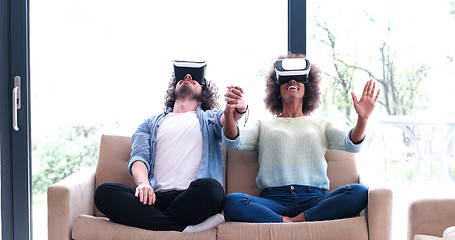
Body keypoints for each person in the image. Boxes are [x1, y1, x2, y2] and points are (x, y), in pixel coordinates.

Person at [222, 53, 380, 223]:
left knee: (359, 192)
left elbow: (352, 144)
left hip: (314, 199)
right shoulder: (263, 125)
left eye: (298, 78)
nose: (292, 81)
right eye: (286, 79)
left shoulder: (321, 124)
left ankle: (291, 221)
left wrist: (362, 119)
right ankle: (290, 220)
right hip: (274, 200)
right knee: (233, 201)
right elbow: (234, 141)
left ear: (307, 90)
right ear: (276, 91)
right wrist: (229, 113)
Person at [94, 60, 247, 232]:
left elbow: (230, 135)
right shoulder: (149, 124)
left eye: (194, 78)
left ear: (204, 94)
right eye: (182, 76)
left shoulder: (210, 118)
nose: (188, 77)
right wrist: (143, 184)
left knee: (212, 189)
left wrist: (234, 111)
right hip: (154, 198)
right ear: (173, 90)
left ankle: (154, 222)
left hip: (192, 197)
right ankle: (182, 227)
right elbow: (139, 158)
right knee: (104, 193)